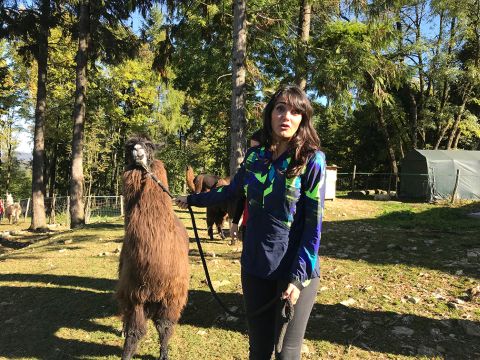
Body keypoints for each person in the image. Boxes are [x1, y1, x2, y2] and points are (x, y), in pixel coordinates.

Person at [176, 84, 326, 360]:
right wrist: (193, 199)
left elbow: (313, 227)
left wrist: (298, 277)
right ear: (270, 114)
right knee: (259, 350)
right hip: (255, 265)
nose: (287, 116)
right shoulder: (256, 157)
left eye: (295, 111)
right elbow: (232, 191)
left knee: (286, 352)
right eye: (280, 108)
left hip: (294, 270)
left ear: (303, 119)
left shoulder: (312, 160)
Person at [230, 128, 263, 245]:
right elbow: (241, 196)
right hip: (247, 225)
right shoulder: (248, 174)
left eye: (256, 148)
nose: (252, 153)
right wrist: (235, 223)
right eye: (250, 149)